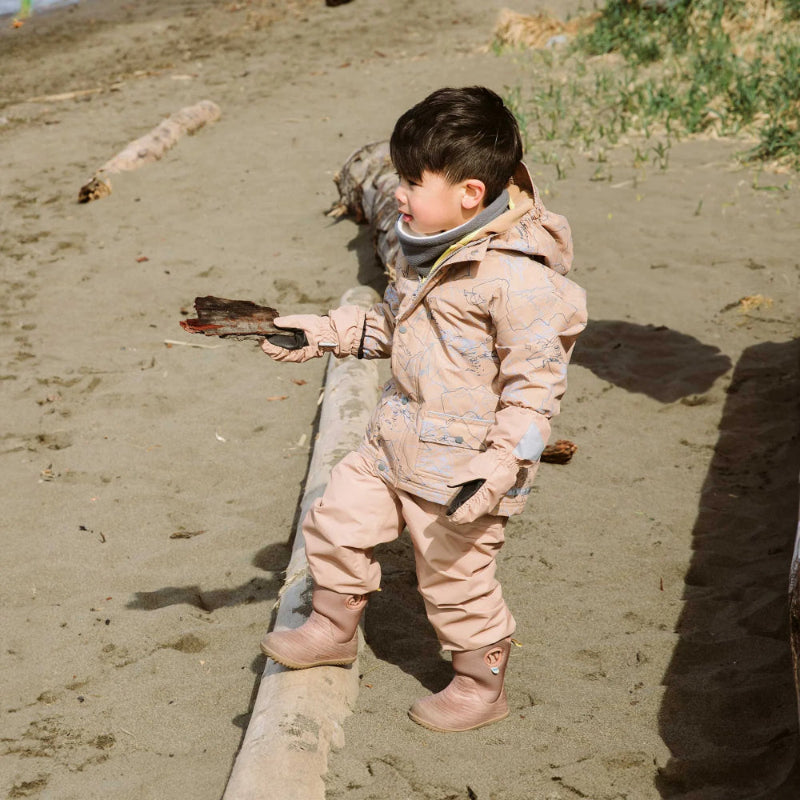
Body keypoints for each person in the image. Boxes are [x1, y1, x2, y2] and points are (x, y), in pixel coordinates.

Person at [259, 86, 587, 733]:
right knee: (336, 521)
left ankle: (478, 683)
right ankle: (332, 625)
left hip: (465, 467)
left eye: (412, 180)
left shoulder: (519, 280)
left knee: (456, 578)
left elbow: (534, 393)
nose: (399, 193)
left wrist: (501, 466)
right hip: (395, 437)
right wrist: (327, 332)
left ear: (469, 194)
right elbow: (396, 327)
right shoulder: (426, 246)